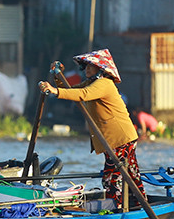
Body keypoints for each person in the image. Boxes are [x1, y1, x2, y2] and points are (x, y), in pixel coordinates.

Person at [38, 48, 145, 209]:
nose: (87, 69)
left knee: (113, 177)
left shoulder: (104, 84)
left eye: (91, 66)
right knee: (127, 174)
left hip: (120, 138)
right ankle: (135, 204)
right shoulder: (92, 83)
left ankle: (117, 207)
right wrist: (57, 77)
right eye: (86, 66)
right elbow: (72, 91)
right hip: (116, 139)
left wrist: (54, 90)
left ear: (100, 68)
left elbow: (83, 94)